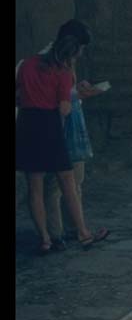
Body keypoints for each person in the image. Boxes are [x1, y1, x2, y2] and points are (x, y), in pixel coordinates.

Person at [16, 21, 109, 254]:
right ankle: (83, 233)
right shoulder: (63, 72)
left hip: (27, 125)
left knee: (34, 187)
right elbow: (65, 108)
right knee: (68, 183)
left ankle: (46, 239)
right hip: (50, 126)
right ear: (74, 50)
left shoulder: (25, 65)